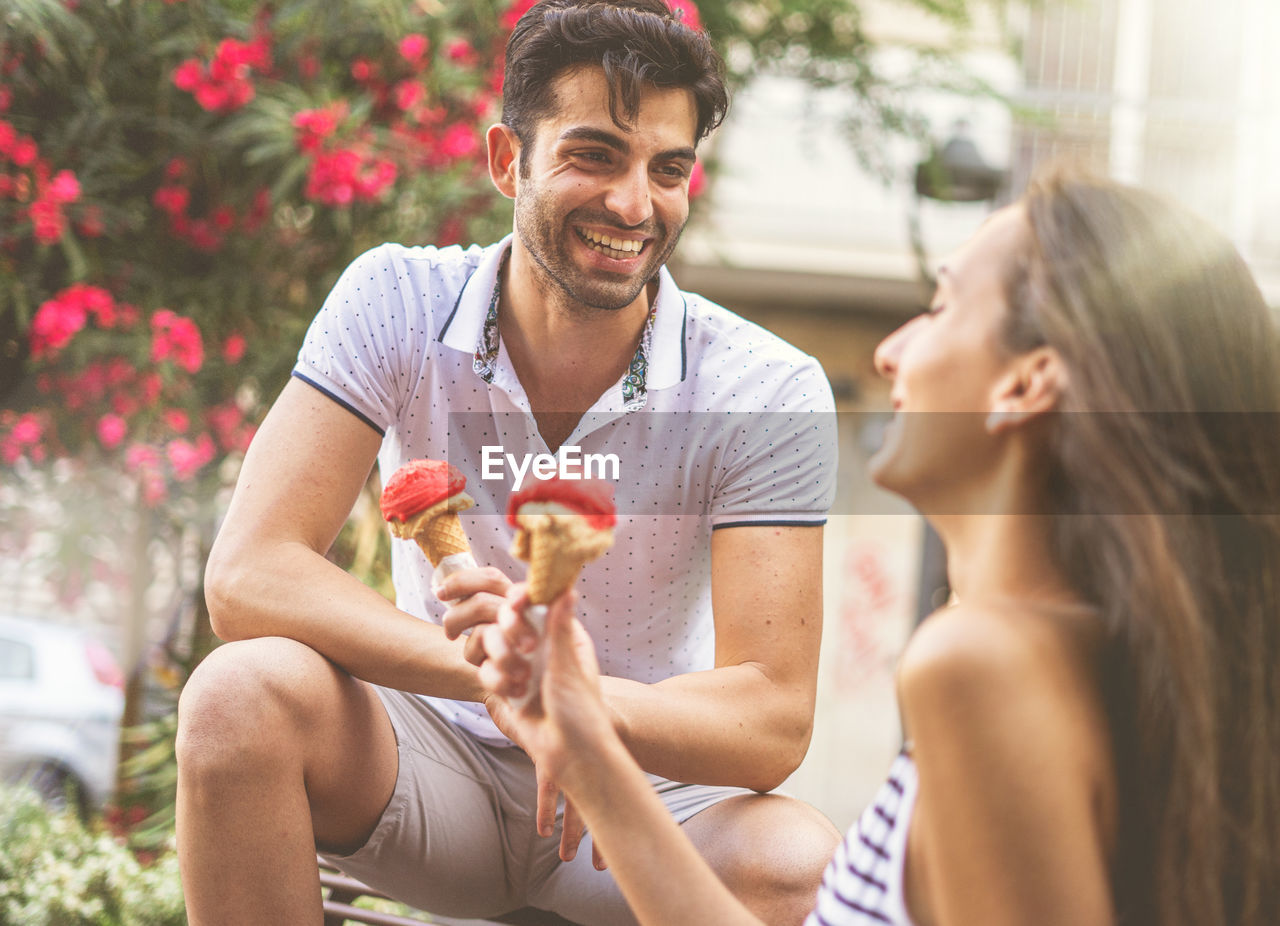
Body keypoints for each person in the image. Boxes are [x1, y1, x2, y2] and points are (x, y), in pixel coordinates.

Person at [176, 2, 842, 924]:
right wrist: (507, 681)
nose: (633, 205)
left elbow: (770, 718)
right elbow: (250, 575)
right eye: (594, 154)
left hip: (633, 801)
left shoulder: (768, 386)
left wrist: (581, 716)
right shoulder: (396, 299)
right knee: (233, 699)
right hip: (430, 769)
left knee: (799, 865)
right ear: (506, 161)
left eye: (669, 169)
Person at [478, 166, 1280, 926]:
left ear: (1025, 385)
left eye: (940, 307)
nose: (891, 351)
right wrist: (586, 741)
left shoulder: (982, 664)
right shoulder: (1088, 661)